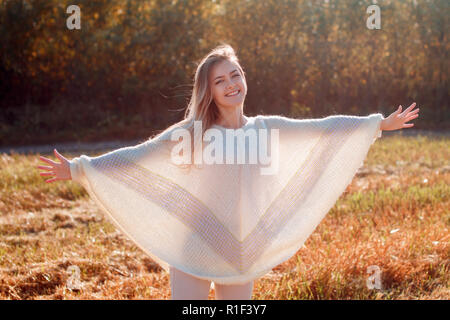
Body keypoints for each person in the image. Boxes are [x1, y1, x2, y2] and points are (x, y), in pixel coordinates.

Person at [37, 44, 419, 300]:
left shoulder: (266, 129)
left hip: (242, 252)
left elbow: (321, 129)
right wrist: (78, 168)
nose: (230, 84)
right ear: (210, 91)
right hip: (193, 248)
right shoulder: (194, 132)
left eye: (234, 75)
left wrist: (376, 125)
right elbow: (139, 158)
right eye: (220, 81)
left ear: (244, 78)